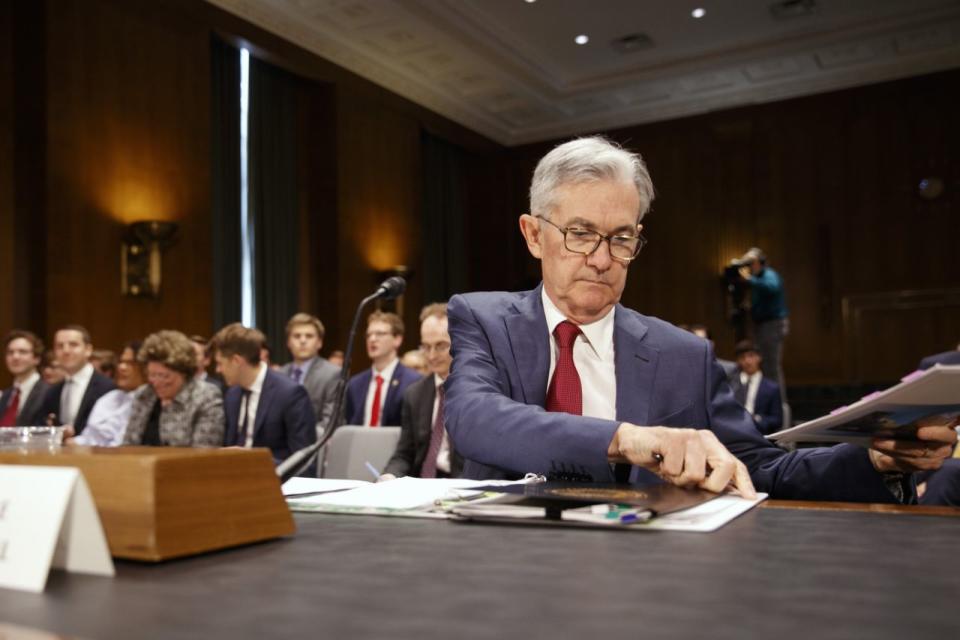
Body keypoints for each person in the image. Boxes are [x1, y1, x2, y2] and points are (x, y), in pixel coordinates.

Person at [444, 136, 957, 502]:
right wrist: (627, 438)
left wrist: (875, 460)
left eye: (621, 238)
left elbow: (758, 468)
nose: (602, 259)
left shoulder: (683, 355)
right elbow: (474, 419)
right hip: (502, 569)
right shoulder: (483, 318)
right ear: (534, 235)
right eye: (580, 233)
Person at [213, 323, 317, 472]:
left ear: (236, 361)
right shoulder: (232, 395)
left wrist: (253, 460)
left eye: (220, 363)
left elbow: (305, 463)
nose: (218, 370)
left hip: (276, 483)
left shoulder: (290, 394)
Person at [381, 303, 463, 480]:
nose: (431, 356)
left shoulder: (478, 392)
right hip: (421, 484)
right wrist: (390, 475)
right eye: (426, 347)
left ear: (459, 342)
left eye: (441, 346)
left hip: (458, 485)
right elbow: (404, 453)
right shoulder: (415, 393)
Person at [123, 330, 224, 447]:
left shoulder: (206, 396)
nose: (156, 382)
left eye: (164, 376)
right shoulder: (144, 394)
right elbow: (128, 444)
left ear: (184, 373)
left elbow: (203, 452)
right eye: (152, 374)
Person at [345, 311, 420, 426]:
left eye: (380, 334)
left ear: (397, 340)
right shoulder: (355, 384)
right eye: (368, 335)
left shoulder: (414, 382)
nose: (372, 339)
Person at [40, 325, 116, 436]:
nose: (66, 351)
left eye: (73, 345)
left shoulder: (107, 388)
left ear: (88, 350)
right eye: (60, 346)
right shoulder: (52, 391)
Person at [71, 341, 145, 446]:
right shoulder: (108, 398)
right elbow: (87, 438)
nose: (122, 367)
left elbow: (122, 445)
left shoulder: (149, 402)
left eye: (131, 363)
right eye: (121, 362)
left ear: (146, 368)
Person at [280, 313, 339, 437]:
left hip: (314, 446)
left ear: (319, 343)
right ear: (288, 343)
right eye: (297, 336)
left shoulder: (332, 374)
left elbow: (331, 422)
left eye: (309, 336)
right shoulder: (279, 374)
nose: (302, 340)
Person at [738, 247, 788, 391]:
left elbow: (772, 287)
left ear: (759, 262)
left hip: (772, 324)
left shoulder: (769, 274)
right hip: (764, 324)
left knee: (771, 367)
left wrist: (750, 279)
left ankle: (779, 406)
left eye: (751, 263)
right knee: (765, 366)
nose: (749, 267)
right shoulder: (759, 278)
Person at [728, 340, 783, 435]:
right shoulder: (731, 385)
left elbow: (777, 420)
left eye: (751, 356)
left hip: (760, 434)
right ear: (738, 361)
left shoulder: (772, 388)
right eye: (742, 357)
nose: (747, 361)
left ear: (759, 357)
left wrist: (757, 420)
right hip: (734, 433)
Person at [0, 330, 51, 426]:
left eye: (22, 352)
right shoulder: (5, 395)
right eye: (10, 352)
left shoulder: (48, 392)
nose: (15, 357)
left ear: (36, 359)